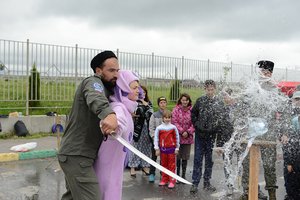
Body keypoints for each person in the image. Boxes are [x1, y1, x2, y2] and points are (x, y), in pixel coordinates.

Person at [58, 51, 119, 200]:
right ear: (98, 71)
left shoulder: (107, 89)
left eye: (117, 70)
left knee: (72, 197)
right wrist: (109, 114)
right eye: (111, 70)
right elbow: (95, 97)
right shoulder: (93, 82)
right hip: (77, 155)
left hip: (78, 155)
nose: (116, 74)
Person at [239, 60, 288, 200]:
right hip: (251, 131)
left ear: (271, 74)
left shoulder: (275, 91)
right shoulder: (251, 89)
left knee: (269, 165)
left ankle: (272, 194)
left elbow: (285, 111)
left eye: (267, 72)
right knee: (246, 162)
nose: (264, 74)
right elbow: (240, 109)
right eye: (262, 71)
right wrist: (239, 126)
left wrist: (284, 132)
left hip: (269, 131)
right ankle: (247, 192)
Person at [94, 70, 140, 200]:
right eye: (134, 87)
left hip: (115, 165)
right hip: (107, 165)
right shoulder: (118, 107)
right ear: (124, 88)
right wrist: (116, 127)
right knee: (108, 193)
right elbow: (117, 122)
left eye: (138, 87)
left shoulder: (126, 108)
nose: (138, 90)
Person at [190, 79, 224, 193]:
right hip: (199, 135)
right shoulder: (200, 100)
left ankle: (207, 182)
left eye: (212, 89)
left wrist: (214, 129)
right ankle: (195, 183)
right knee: (198, 159)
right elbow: (193, 114)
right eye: (208, 89)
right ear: (205, 89)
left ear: (215, 89)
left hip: (211, 137)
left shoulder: (218, 102)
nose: (210, 91)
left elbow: (221, 118)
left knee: (209, 160)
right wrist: (197, 125)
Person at [128, 85, 153, 177]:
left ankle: (145, 166)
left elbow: (151, 113)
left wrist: (145, 105)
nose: (143, 94)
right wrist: (132, 114)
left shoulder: (148, 103)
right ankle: (132, 167)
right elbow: (130, 112)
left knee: (146, 147)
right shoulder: (133, 102)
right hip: (136, 128)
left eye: (145, 92)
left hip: (146, 128)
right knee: (135, 147)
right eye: (141, 92)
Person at [154, 110, 180, 189]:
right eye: (166, 117)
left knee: (171, 165)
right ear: (163, 118)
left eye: (169, 117)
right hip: (162, 150)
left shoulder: (173, 127)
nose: (167, 119)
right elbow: (156, 139)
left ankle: (172, 180)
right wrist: (157, 148)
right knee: (163, 165)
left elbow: (177, 138)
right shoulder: (159, 128)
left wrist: (177, 148)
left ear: (171, 118)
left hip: (171, 149)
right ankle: (164, 179)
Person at [171, 93, 194, 181]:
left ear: (189, 101)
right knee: (178, 157)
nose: (185, 102)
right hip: (178, 137)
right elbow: (174, 121)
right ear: (180, 100)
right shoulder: (176, 109)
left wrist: (188, 132)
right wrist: (181, 131)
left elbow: (194, 122)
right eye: (183, 100)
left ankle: (183, 176)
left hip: (188, 138)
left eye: (186, 100)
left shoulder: (192, 110)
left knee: (185, 157)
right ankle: (177, 175)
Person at [282, 91, 300, 200]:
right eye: (296, 99)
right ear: (292, 100)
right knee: (290, 183)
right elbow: (285, 139)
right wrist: (289, 161)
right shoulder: (287, 114)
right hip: (291, 155)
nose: (298, 102)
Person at [148, 96, 168, 182]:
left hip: (166, 141)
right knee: (154, 157)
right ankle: (152, 173)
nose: (163, 104)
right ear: (158, 104)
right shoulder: (154, 115)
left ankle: (162, 173)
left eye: (164, 102)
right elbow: (151, 128)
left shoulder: (168, 115)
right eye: (161, 103)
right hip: (156, 141)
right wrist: (154, 138)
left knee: (164, 158)